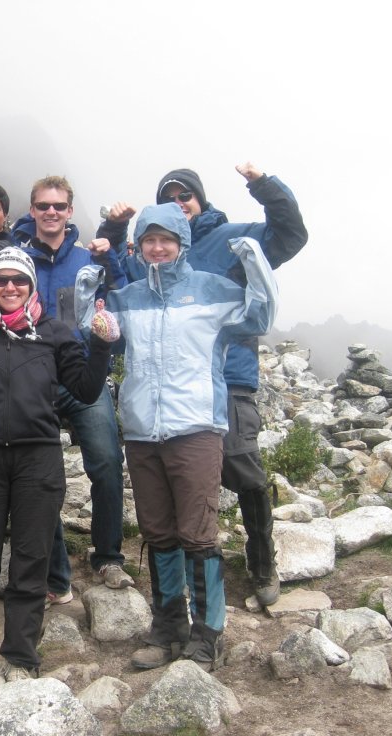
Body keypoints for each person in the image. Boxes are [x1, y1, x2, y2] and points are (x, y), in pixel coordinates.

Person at [108, 164, 307, 606]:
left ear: (201, 198)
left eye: (186, 195)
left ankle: (260, 561)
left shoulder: (231, 236)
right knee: (169, 495)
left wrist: (263, 185)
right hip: (161, 395)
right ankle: (175, 601)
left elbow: (290, 235)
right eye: (170, 196)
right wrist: (112, 227)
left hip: (228, 379)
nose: (180, 202)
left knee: (242, 467)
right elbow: (117, 287)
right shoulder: (148, 252)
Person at [99, 203, 278, 671]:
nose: (158, 249)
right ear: (138, 247)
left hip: (196, 429)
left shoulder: (213, 291)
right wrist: (86, 305)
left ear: (183, 244)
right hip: (141, 433)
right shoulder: (129, 296)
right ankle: (168, 626)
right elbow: (97, 333)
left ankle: (208, 633)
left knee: (198, 535)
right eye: (149, 241)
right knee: (158, 533)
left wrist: (255, 260)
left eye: (167, 240)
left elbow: (258, 318)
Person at [0, 247, 117, 697]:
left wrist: (101, 346)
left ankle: (20, 656)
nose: (10, 288)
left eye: (18, 280)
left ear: (31, 285)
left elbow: (85, 387)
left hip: (38, 456)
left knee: (31, 557)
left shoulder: (56, 335)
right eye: (1, 281)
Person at [10, 176, 132, 608]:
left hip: (82, 375)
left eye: (59, 206)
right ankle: (52, 566)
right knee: (39, 475)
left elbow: (118, 298)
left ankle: (109, 555)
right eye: (43, 206)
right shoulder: (16, 261)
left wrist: (111, 253)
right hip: (33, 377)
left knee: (105, 462)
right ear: (32, 210)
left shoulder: (88, 259)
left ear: (70, 211)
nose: (51, 213)